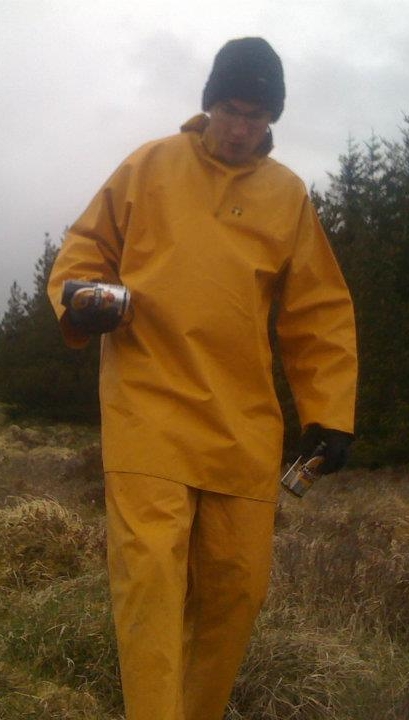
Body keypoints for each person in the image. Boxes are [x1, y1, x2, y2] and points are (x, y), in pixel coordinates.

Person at [48, 37, 357, 720]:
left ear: (272, 119)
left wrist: (329, 412)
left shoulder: (287, 196)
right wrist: (81, 297)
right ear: (209, 104)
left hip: (241, 424)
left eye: (256, 115)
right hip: (147, 409)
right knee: (151, 584)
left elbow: (317, 313)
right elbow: (84, 252)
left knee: (235, 591)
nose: (241, 128)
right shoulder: (150, 165)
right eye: (231, 110)